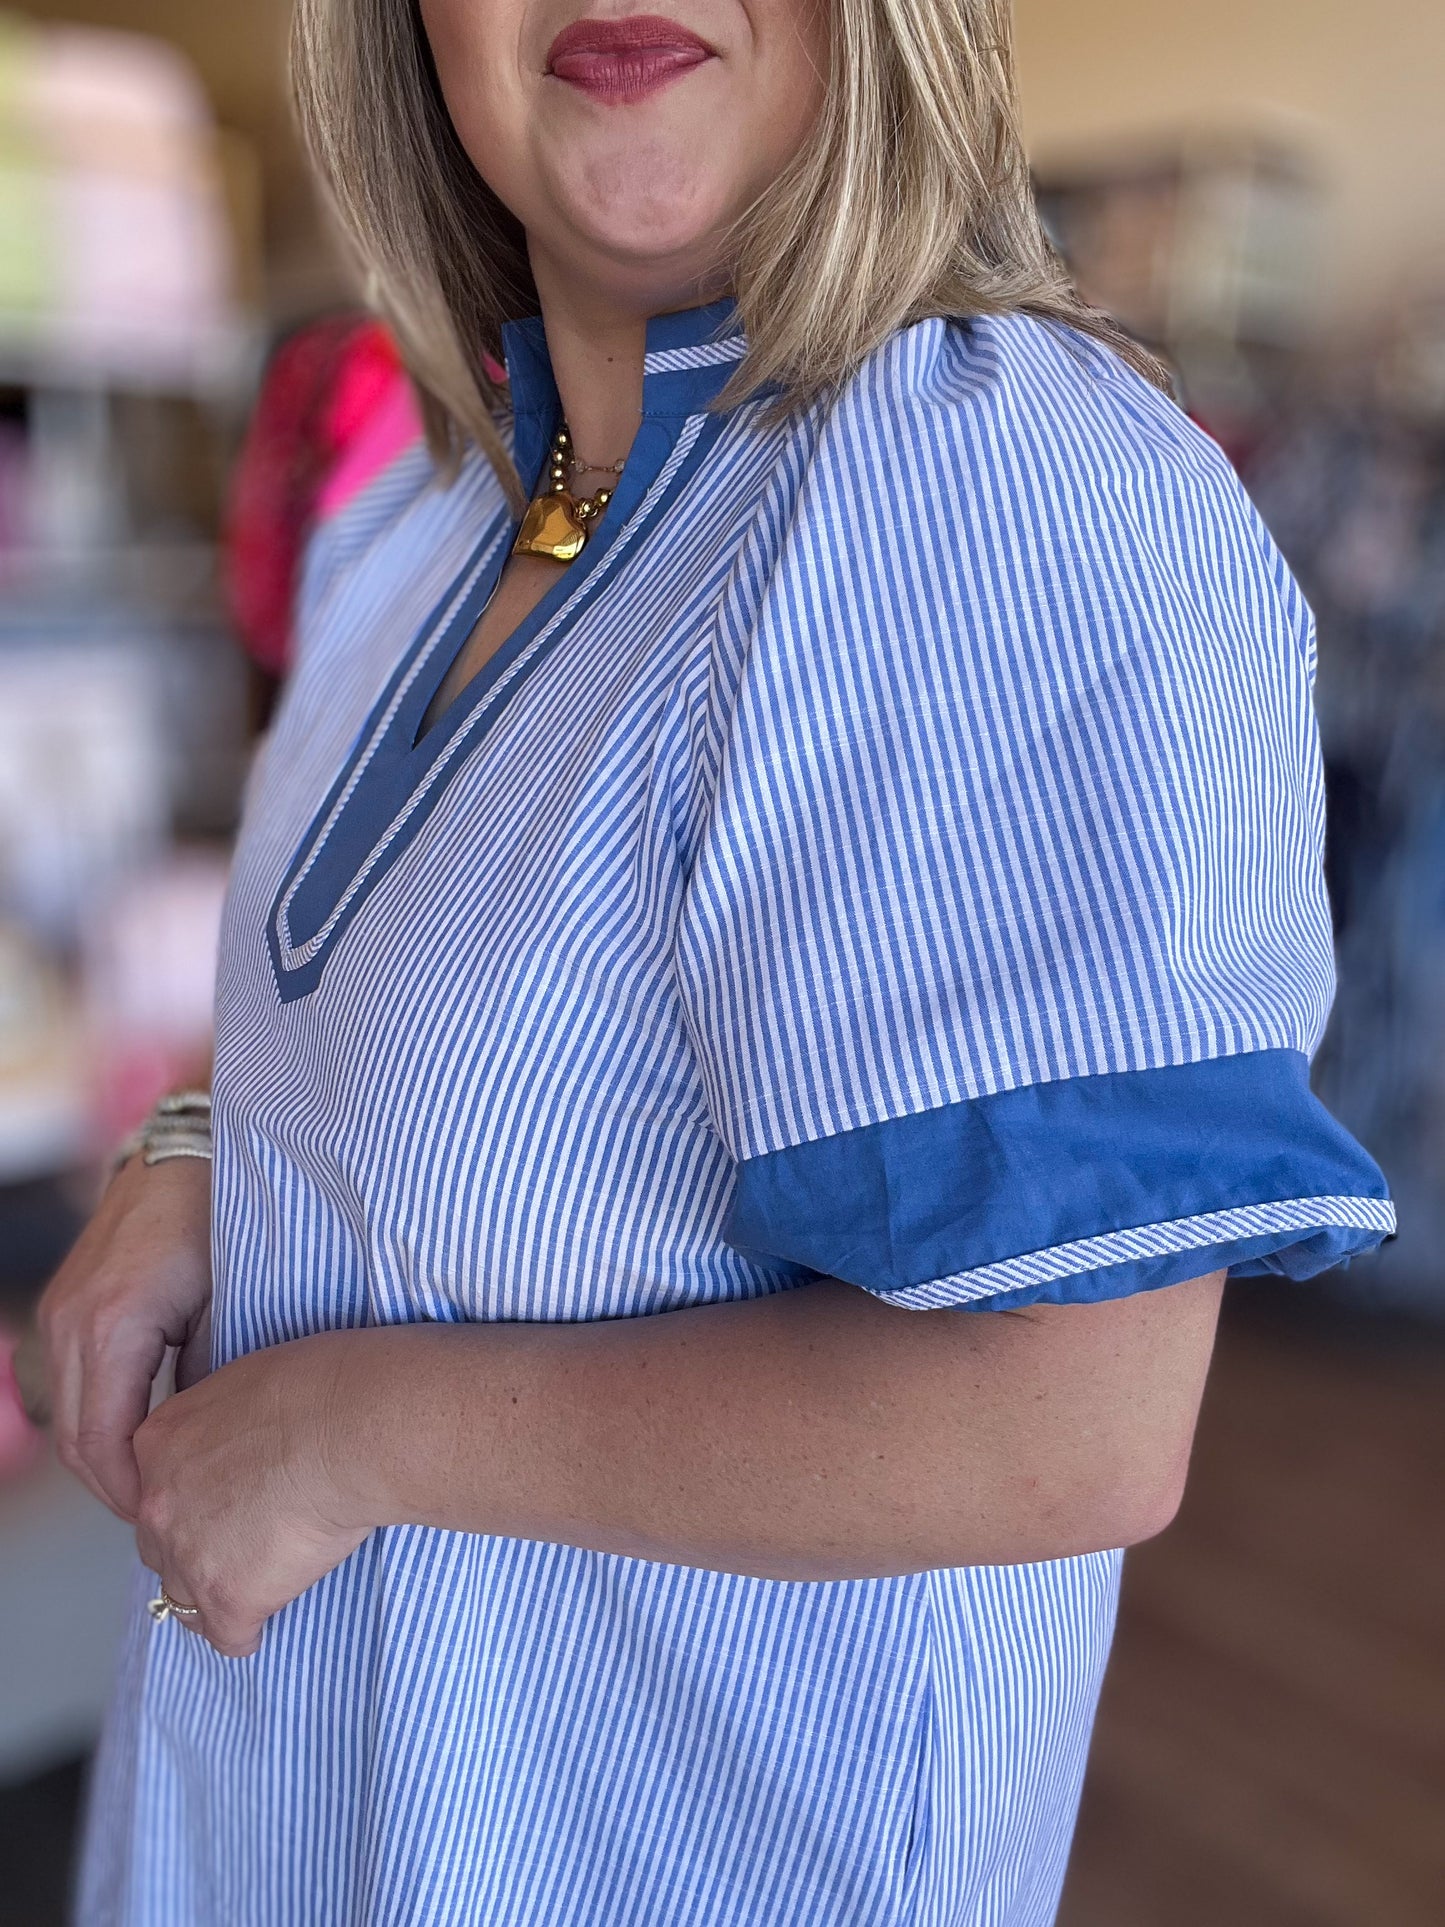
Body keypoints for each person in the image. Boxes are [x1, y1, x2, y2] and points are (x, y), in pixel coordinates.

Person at [37, 0, 1392, 1919]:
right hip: (281, 1813)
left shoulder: (991, 497)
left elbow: (1059, 1424)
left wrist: (353, 1434)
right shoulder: (406, 535)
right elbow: (406, 1039)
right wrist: (195, 1156)